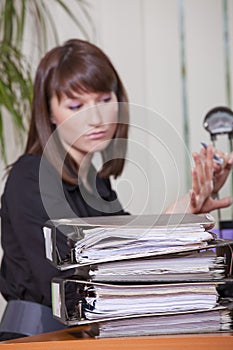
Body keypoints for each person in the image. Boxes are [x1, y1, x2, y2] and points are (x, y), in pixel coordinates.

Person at [0, 39, 232, 341]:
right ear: (50, 113)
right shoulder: (29, 177)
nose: (95, 119)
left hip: (87, 335)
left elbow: (130, 250)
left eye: (104, 99)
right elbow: (72, 284)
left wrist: (190, 206)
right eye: (75, 106)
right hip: (36, 338)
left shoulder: (94, 181)